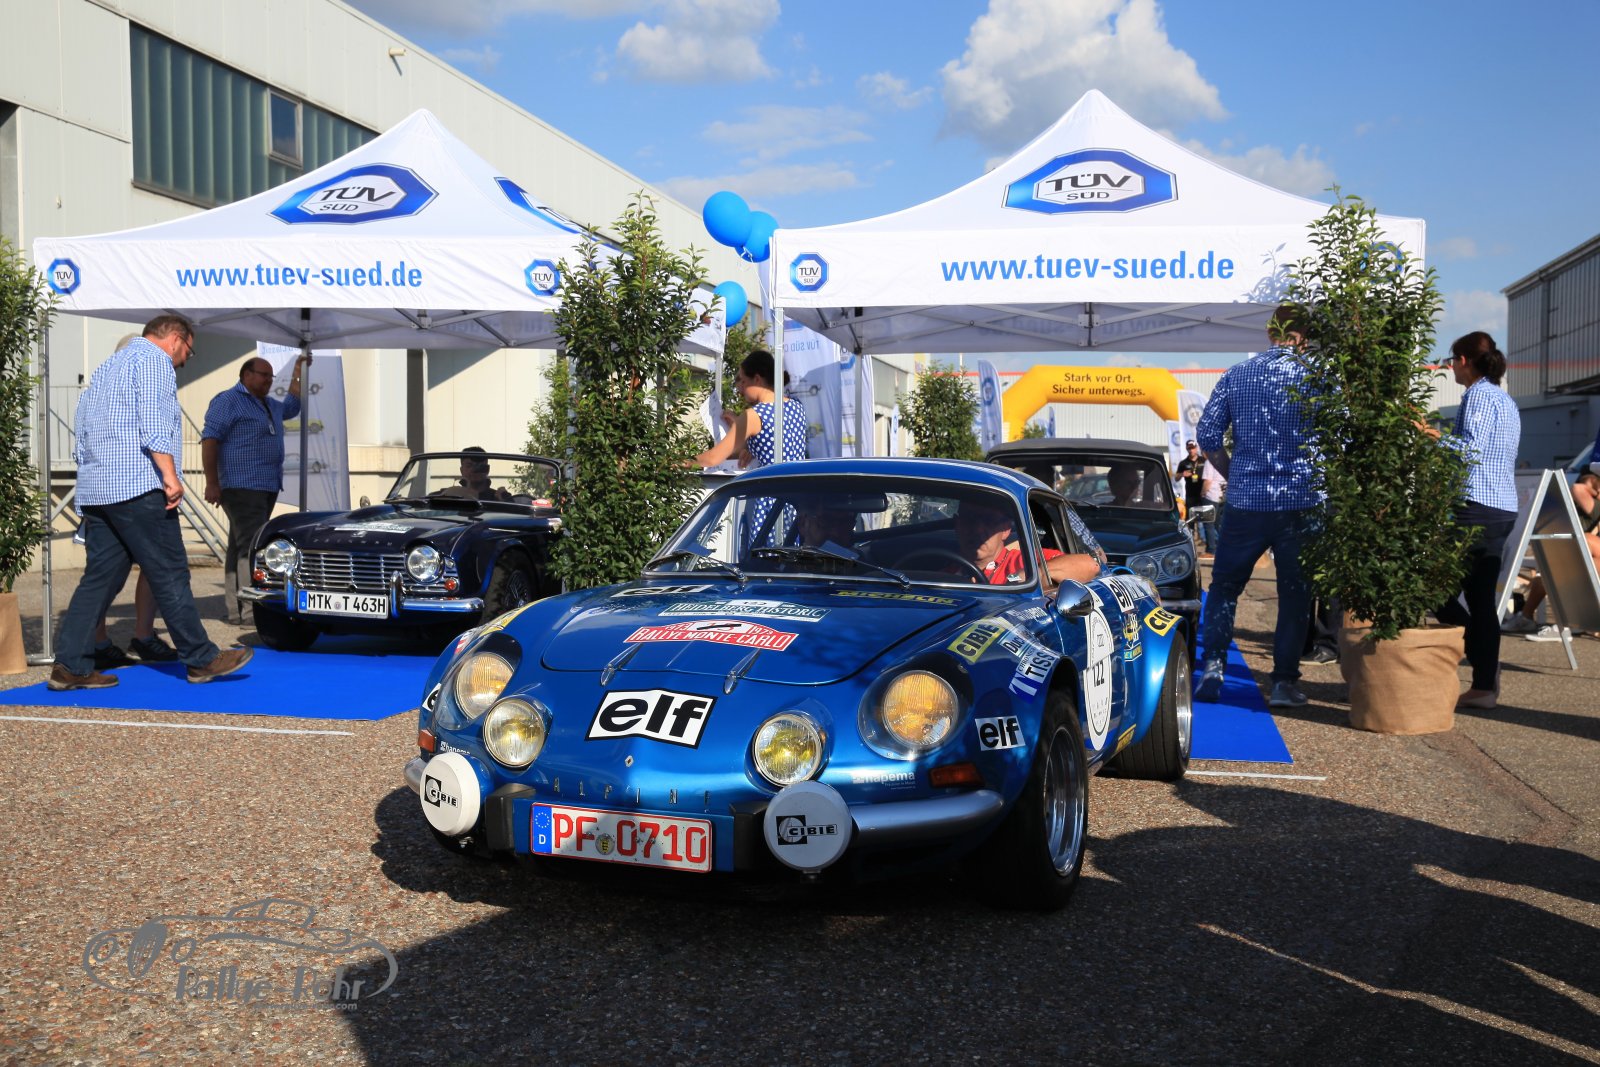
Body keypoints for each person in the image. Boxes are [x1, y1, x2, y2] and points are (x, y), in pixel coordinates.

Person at [49, 316, 253, 690]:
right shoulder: (154, 361)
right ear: (175, 339)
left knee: (98, 581)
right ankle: (202, 659)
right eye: (189, 351)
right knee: (170, 572)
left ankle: (70, 666)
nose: (185, 359)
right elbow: (154, 422)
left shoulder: (108, 367)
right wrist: (170, 477)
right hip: (137, 486)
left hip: (98, 490)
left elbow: (83, 427)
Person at [1194, 305, 1321, 708]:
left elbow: (1208, 433)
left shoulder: (1237, 374)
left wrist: (1233, 471)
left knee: (1225, 588)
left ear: (1270, 332)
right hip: (1300, 501)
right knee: (1295, 594)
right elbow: (1343, 438)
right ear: (1304, 336)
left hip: (1247, 501)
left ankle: (1213, 668)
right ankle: (1283, 682)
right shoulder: (1318, 377)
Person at [1419, 332, 1521, 710]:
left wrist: (1429, 433)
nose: (1450, 369)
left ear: (1464, 361)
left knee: (1436, 590)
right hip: (1501, 505)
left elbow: (1469, 450)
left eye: (1451, 361)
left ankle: (1482, 666)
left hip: (1477, 506)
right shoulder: (1505, 399)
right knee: (1479, 599)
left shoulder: (1477, 395)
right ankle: (1484, 680)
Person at [201, 353, 306, 623]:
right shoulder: (228, 400)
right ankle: (251, 611)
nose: (269, 381)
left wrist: (298, 372)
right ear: (246, 375)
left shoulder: (269, 404)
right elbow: (210, 440)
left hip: (266, 485)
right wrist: (212, 482)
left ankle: (236, 610)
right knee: (252, 548)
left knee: (240, 546)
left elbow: (292, 406)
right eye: (264, 375)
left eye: (271, 376)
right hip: (241, 486)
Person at [1501, 465, 1600, 642]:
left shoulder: (1594, 506)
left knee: (1574, 554)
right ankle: (1530, 618)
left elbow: (1578, 488)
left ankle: (1565, 624)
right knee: (1555, 568)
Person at [953, 501, 1103, 586]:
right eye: (969, 519)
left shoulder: (1026, 561)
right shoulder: (944, 566)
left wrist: (1032, 575)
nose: (978, 529)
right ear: (957, 524)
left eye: (989, 521)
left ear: (1005, 530)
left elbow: (1091, 565)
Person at [437, 447, 513, 501]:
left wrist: (506, 500)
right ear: (461, 470)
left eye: (480, 466)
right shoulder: (450, 494)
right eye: (469, 466)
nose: (475, 469)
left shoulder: (498, 498)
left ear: (487, 469)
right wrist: (446, 495)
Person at [1199, 457, 1225, 556]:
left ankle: (1211, 550)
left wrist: (1202, 493)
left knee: (1208, 524)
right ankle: (1225, 546)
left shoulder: (1209, 462)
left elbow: (1208, 481)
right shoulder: (1222, 460)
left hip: (1210, 496)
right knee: (1219, 524)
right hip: (1222, 496)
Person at [1176, 439, 1205, 519]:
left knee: (1202, 519)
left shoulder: (1203, 460)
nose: (1191, 450)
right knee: (1190, 519)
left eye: (1193, 448)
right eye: (1189, 448)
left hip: (1203, 494)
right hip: (1190, 494)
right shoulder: (1183, 463)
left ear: (1196, 448)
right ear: (1186, 449)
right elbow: (1176, 478)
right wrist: (1182, 474)